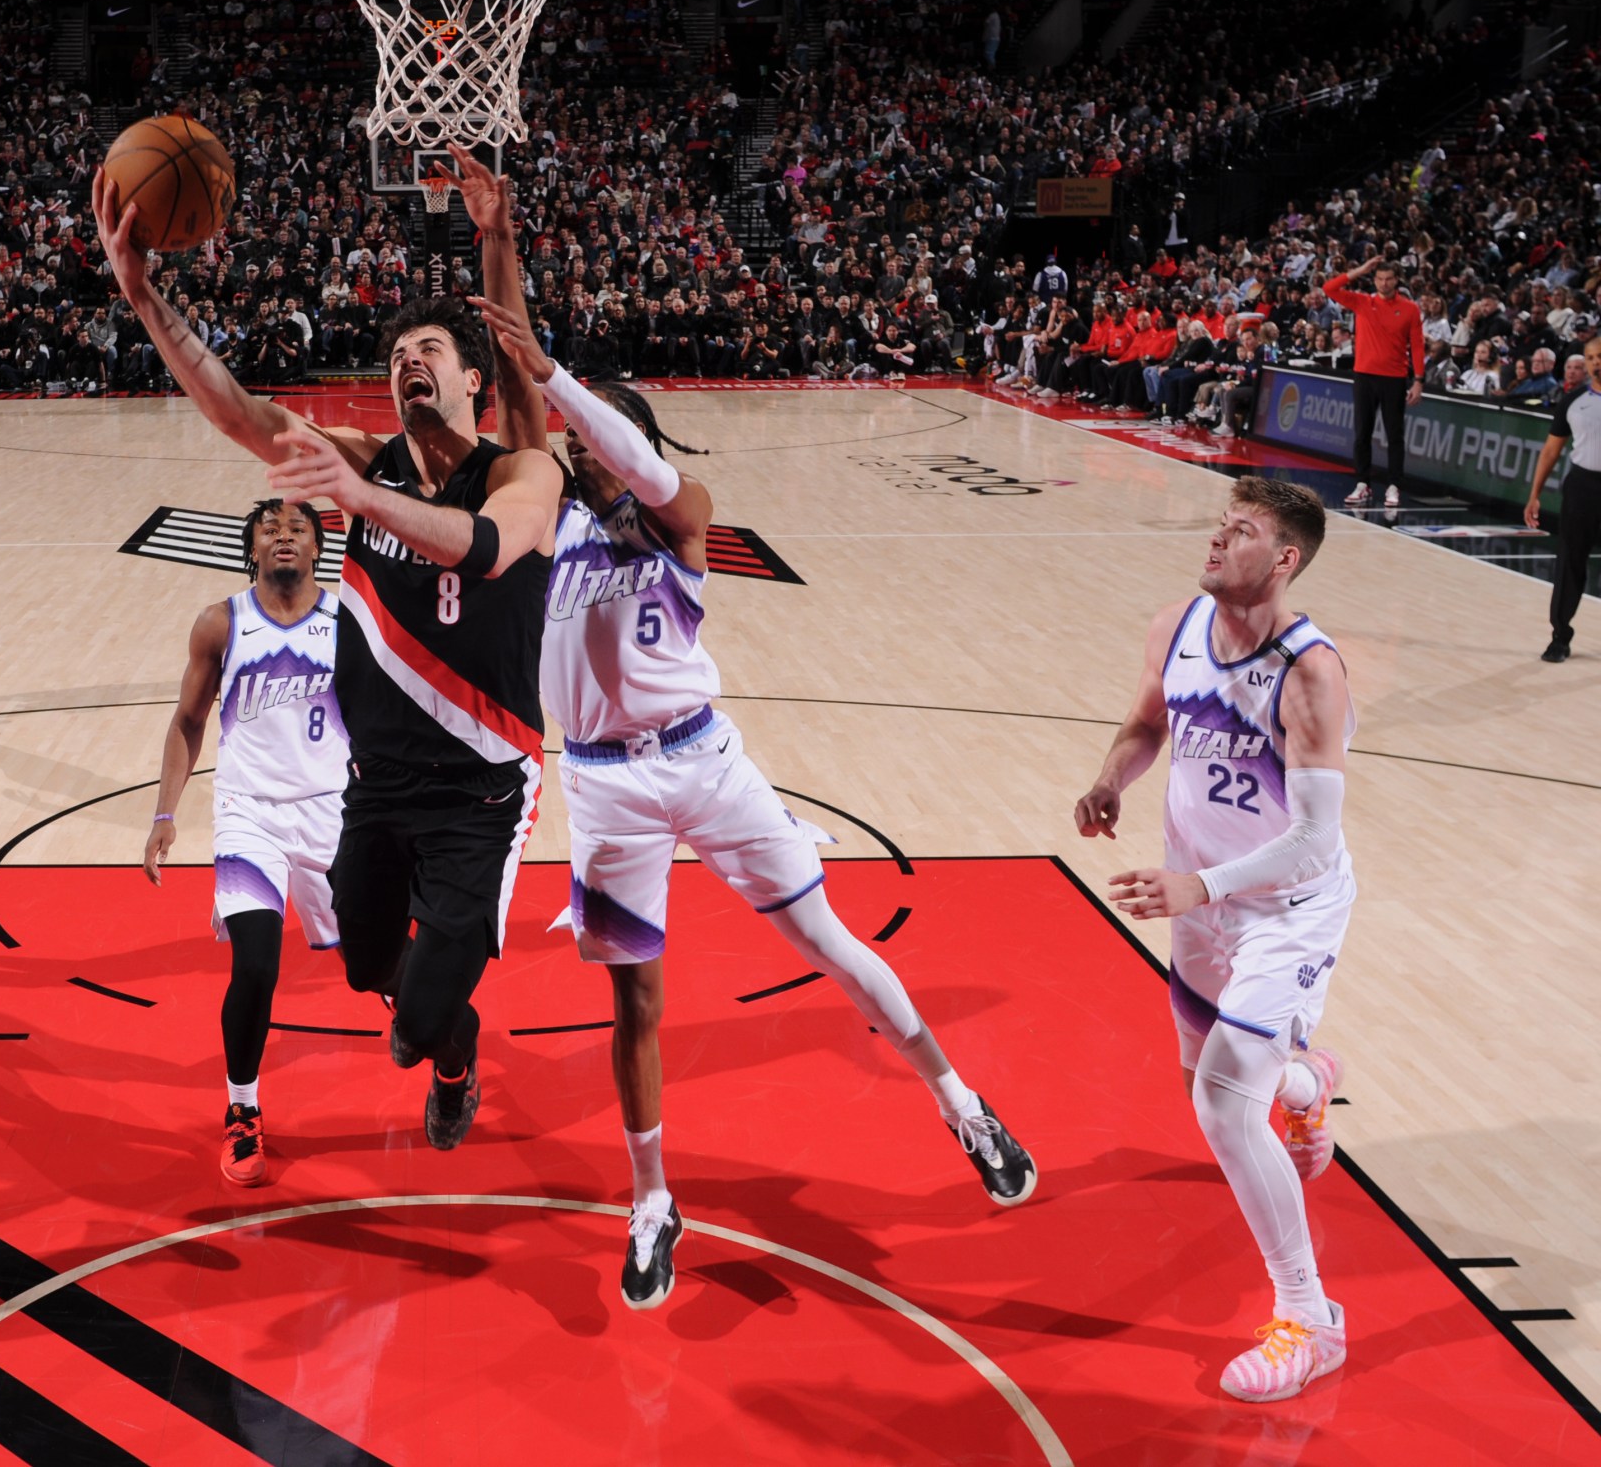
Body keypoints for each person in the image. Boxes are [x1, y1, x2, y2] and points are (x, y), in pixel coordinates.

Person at [463, 159, 1032, 1315]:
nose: (577, 456)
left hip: (705, 762)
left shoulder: (685, 519)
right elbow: (523, 387)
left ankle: (960, 1102)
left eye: (600, 442)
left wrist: (563, 377)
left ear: (629, 440)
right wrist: (499, 234)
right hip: (609, 790)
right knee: (637, 1003)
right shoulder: (559, 522)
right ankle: (651, 1199)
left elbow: (602, 432)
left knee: (828, 940)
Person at [93, 163, 563, 1151]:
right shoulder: (365, 460)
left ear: (472, 378)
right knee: (362, 967)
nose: (407, 363)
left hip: (482, 791)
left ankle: (449, 1056)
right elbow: (236, 412)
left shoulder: (523, 470)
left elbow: (476, 546)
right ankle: (447, 1037)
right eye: (396, 355)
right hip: (377, 782)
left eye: (429, 348)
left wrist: (499, 239)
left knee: (416, 1024)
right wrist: (145, 295)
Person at [1073, 477, 1355, 1402]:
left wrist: (1202, 883)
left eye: (1243, 532)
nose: (1218, 538)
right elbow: (1149, 721)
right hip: (1200, 900)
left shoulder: (1311, 672)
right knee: (1202, 1082)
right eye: (1220, 523)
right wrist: (1114, 776)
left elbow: (1313, 840)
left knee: (1229, 1104)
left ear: (1284, 560)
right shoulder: (1177, 623)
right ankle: (1310, 1081)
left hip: (1289, 906)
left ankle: (1310, 1321)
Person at [144, 498, 344, 1185]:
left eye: (297, 529)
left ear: (319, 548)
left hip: (330, 813)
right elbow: (188, 721)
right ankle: (242, 1111)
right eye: (269, 529)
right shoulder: (221, 622)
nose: (283, 536)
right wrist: (165, 812)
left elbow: (384, 725)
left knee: (381, 969)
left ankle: (441, 1046)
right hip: (248, 812)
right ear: (251, 549)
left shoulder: (351, 625)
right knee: (257, 964)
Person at [1324, 256, 1423, 509]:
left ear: (1397, 280)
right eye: (1379, 278)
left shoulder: (1410, 308)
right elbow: (1329, 288)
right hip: (1364, 376)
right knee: (1362, 433)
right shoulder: (1362, 302)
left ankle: (1394, 486)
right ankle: (1362, 483)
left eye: (1389, 279)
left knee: (1395, 435)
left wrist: (1419, 380)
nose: (1384, 283)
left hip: (1395, 379)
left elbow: (1418, 346)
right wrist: (1360, 269)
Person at [1525, 353, 1598, 662]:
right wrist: (1534, 494)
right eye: (1593, 357)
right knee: (1570, 561)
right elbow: (1551, 450)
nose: (1597, 363)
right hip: (1582, 485)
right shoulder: (1573, 400)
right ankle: (1560, 635)